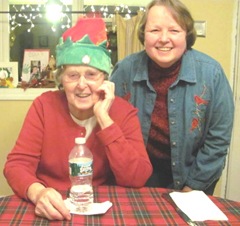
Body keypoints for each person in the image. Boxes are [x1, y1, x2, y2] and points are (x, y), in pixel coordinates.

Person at [4, 17, 152, 221]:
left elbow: (137, 177)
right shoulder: (44, 106)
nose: (82, 85)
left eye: (91, 75)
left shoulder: (123, 112)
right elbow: (17, 165)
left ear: (105, 80)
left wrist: (104, 119)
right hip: (51, 206)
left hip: (101, 209)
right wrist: (38, 193)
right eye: (72, 75)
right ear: (61, 81)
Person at [110, 0, 234, 195]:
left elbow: (217, 141)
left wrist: (192, 188)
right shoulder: (124, 70)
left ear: (187, 35)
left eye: (174, 31)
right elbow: (110, 128)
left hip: (192, 178)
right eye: (155, 30)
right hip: (135, 180)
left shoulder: (212, 74)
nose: (164, 39)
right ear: (144, 34)